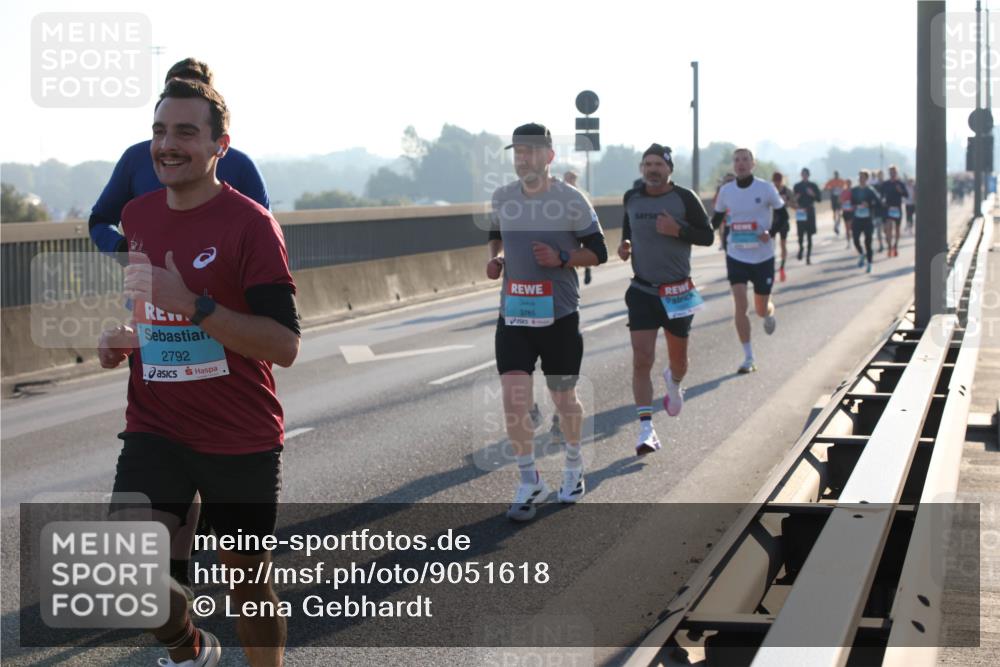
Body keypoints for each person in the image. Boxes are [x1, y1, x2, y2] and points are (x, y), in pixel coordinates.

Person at [99, 78, 299, 667]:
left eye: (186, 132)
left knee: (248, 588)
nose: (168, 144)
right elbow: (161, 319)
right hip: (156, 425)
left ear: (220, 147)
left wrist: (195, 304)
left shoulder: (251, 225)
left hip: (239, 435)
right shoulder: (136, 214)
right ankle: (192, 651)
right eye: (160, 131)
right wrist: (130, 340)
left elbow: (283, 345)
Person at [486, 123, 607, 521]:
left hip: (558, 314)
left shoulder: (571, 199)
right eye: (517, 152)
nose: (523, 159)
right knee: (513, 396)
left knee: (563, 398)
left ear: (549, 157)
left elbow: (600, 251)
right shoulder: (503, 197)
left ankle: (573, 466)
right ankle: (529, 479)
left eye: (531, 152)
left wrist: (562, 259)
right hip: (515, 313)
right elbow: (496, 234)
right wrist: (498, 258)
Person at [89, 58, 269, 259]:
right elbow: (100, 220)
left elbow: (262, 238)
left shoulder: (242, 166)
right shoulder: (135, 159)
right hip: (147, 288)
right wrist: (123, 250)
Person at [618, 144, 713, 455]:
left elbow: (708, 236)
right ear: (641, 168)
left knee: (679, 361)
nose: (652, 169)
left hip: (678, 291)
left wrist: (678, 229)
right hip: (643, 290)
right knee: (641, 358)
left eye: (658, 164)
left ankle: (674, 381)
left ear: (669, 169)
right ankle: (646, 429)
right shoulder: (632, 197)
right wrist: (625, 245)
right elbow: (628, 227)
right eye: (647, 164)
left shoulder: (684, 198)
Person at [711, 148, 786, 374]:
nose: (741, 163)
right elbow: (714, 220)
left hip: (763, 256)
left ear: (753, 163)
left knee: (761, 308)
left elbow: (782, 215)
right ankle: (749, 357)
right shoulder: (726, 191)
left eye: (745, 160)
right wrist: (692, 235)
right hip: (736, 254)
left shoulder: (765, 188)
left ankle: (768, 312)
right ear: (733, 165)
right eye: (737, 160)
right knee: (740, 304)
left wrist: (770, 233)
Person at [849, 169, 883, 274]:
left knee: (868, 242)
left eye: (863, 177)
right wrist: (854, 206)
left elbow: (878, 203)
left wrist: (869, 205)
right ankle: (861, 254)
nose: (861, 179)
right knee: (855, 240)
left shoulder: (870, 190)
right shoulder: (854, 190)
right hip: (857, 218)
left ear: (866, 179)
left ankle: (869, 264)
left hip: (868, 219)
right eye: (859, 177)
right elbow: (851, 203)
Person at [564, 169, 592, 286]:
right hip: (567, 225)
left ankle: (587, 268)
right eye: (567, 178)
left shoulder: (582, 194)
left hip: (581, 224)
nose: (568, 180)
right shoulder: (561, 192)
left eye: (570, 178)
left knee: (585, 247)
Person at [792, 167, 822, 264]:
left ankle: (808, 257)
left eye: (806, 174)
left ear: (808, 175)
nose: (804, 176)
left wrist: (812, 194)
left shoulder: (813, 185)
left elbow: (819, 199)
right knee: (800, 234)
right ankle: (801, 248)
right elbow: (793, 200)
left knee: (809, 235)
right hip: (801, 211)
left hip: (810, 210)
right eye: (803, 174)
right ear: (801, 175)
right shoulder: (797, 186)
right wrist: (796, 198)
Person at [878, 165, 909, 256]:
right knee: (888, 229)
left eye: (894, 172)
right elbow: (881, 195)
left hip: (897, 208)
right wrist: (882, 201)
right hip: (888, 208)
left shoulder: (900, 183)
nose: (892, 173)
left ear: (896, 173)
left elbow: (906, 195)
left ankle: (895, 246)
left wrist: (900, 191)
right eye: (891, 172)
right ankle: (889, 247)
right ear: (889, 173)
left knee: (897, 229)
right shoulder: (885, 183)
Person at [771, 171, 793, 282]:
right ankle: (771, 265)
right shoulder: (770, 190)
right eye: (775, 181)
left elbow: (794, 203)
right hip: (773, 221)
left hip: (783, 220)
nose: (777, 183)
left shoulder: (787, 191)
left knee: (783, 244)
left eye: (779, 181)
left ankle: (782, 267)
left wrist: (789, 203)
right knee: (771, 245)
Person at [823, 170, 847, 235]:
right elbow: (825, 188)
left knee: (839, 212)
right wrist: (830, 189)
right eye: (835, 174)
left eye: (837, 174)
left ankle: (837, 225)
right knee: (834, 212)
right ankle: (835, 223)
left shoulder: (841, 181)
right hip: (833, 198)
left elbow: (846, 188)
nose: (836, 175)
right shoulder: (831, 181)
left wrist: (842, 190)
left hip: (840, 198)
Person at [839, 178, 854, 248]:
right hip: (845, 211)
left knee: (852, 227)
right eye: (847, 183)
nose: (848, 184)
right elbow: (840, 201)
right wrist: (844, 202)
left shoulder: (853, 191)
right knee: (847, 228)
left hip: (852, 212)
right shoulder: (843, 192)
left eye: (849, 183)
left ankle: (854, 240)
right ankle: (848, 242)